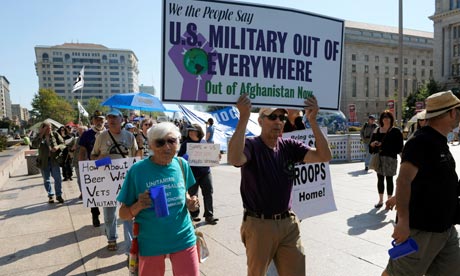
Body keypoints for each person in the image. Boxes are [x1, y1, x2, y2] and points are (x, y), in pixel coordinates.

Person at [228, 94, 332, 276]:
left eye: (282, 117)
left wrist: (312, 121)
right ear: (260, 121)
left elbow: (324, 156)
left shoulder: (289, 145)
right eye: (273, 117)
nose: (279, 121)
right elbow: (235, 158)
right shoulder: (252, 146)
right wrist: (244, 117)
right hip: (259, 225)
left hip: (288, 223)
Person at [382, 91, 460, 276]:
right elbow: (404, 180)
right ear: (451, 113)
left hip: (446, 228)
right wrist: (403, 222)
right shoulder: (421, 141)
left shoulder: (439, 141)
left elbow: (433, 180)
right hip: (421, 230)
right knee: (398, 274)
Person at [117, 122, 200, 276]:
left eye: (171, 141)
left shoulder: (182, 164)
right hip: (151, 243)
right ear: (151, 145)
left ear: (178, 143)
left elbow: (185, 193)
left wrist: (191, 203)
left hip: (183, 238)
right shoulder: (137, 170)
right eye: (160, 142)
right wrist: (138, 205)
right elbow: (123, 214)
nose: (166, 147)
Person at [91, 108, 140, 252]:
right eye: (109, 118)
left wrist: (141, 145)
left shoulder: (129, 137)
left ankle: (130, 243)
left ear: (121, 120)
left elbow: (136, 156)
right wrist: (99, 160)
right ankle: (111, 238)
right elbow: (93, 158)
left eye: (114, 118)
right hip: (107, 180)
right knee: (109, 214)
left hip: (126, 179)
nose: (111, 120)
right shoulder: (101, 137)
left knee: (128, 212)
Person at [178, 123, 219, 224]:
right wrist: (184, 157)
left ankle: (209, 215)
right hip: (192, 173)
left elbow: (210, 155)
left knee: (208, 192)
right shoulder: (185, 143)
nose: (191, 132)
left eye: (193, 131)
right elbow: (179, 158)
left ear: (199, 132)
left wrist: (215, 157)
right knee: (193, 194)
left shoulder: (203, 142)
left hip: (205, 172)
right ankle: (194, 214)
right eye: (190, 131)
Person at [369, 111, 403, 209]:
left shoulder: (396, 131)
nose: (386, 118)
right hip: (379, 158)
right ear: (381, 119)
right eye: (384, 117)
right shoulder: (377, 130)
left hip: (391, 158)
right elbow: (370, 145)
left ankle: (389, 201)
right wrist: (373, 144)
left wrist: (403, 159)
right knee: (380, 179)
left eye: (388, 117)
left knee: (389, 179)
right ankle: (380, 200)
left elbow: (400, 147)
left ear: (391, 119)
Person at [79, 110, 106, 227]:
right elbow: (83, 150)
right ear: (93, 121)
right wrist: (82, 167)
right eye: (97, 119)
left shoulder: (109, 133)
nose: (99, 122)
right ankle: (95, 214)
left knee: (107, 191)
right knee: (93, 192)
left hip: (107, 166)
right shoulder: (87, 134)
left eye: (101, 119)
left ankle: (108, 216)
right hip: (93, 165)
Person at [32, 122, 66, 204]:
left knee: (58, 178)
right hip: (43, 162)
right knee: (46, 180)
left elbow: (63, 144)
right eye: (47, 128)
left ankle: (59, 195)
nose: (49, 129)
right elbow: (34, 145)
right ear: (42, 128)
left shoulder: (55, 134)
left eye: (50, 128)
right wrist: (41, 134)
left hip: (54, 160)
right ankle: (50, 195)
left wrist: (57, 147)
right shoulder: (38, 136)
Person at [72, 125, 87, 199]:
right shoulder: (77, 140)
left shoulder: (90, 139)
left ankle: (88, 192)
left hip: (87, 163)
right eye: (79, 131)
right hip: (77, 162)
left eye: (82, 131)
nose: (80, 133)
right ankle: (82, 192)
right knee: (79, 179)